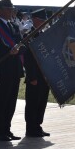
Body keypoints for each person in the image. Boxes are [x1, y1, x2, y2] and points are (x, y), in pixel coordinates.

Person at [0, 0, 24, 141]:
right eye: (8, 8)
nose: (11, 11)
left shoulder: (14, 26)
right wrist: (8, 52)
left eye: (12, 8)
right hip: (3, 67)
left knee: (11, 100)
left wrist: (19, 49)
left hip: (15, 68)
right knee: (2, 100)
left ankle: (7, 128)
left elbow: (20, 43)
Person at [24, 8, 51, 137]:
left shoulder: (44, 35)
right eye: (41, 20)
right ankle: (31, 127)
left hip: (45, 75)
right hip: (35, 75)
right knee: (33, 102)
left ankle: (38, 125)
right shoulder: (29, 36)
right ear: (35, 20)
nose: (44, 23)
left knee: (42, 101)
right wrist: (32, 76)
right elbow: (28, 59)